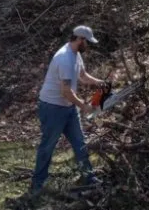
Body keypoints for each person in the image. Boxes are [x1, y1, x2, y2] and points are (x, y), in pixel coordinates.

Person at [30, 25, 106, 197]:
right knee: (48, 146)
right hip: (52, 108)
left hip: (68, 107)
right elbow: (66, 91)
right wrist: (84, 106)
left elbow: (83, 76)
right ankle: (37, 184)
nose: (88, 46)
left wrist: (101, 83)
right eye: (87, 42)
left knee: (80, 143)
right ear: (80, 39)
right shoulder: (64, 58)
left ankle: (89, 177)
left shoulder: (76, 54)